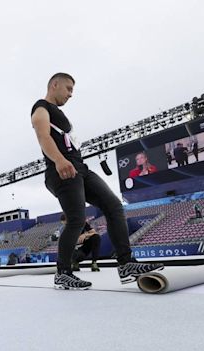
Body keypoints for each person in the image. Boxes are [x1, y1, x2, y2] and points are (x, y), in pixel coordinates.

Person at [31, 72, 164, 290]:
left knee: (113, 206)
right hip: (63, 169)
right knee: (76, 218)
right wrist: (59, 160)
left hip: (80, 168)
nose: (71, 95)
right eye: (69, 89)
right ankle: (63, 274)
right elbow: (43, 136)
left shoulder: (60, 115)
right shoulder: (41, 108)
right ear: (55, 85)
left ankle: (126, 263)